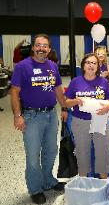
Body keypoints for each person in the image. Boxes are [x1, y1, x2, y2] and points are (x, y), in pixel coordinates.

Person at [10, 34, 67, 204]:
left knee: (51, 151)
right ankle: (35, 188)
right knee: (33, 156)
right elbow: (14, 92)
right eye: (38, 45)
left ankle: (48, 181)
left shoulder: (52, 66)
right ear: (33, 47)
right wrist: (17, 116)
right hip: (31, 116)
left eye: (45, 46)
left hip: (51, 115)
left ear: (49, 49)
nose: (42, 48)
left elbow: (58, 89)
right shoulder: (22, 66)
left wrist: (64, 107)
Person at [64, 53, 109, 179]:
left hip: (100, 121)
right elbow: (65, 101)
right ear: (83, 66)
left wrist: (108, 106)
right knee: (82, 153)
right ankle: (83, 182)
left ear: (98, 66)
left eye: (94, 63)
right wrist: (76, 101)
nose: (91, 65)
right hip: (81, 121)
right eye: (88, 62)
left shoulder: (103, 82)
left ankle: (104, 182)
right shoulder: (76, 81)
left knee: (103, 152)